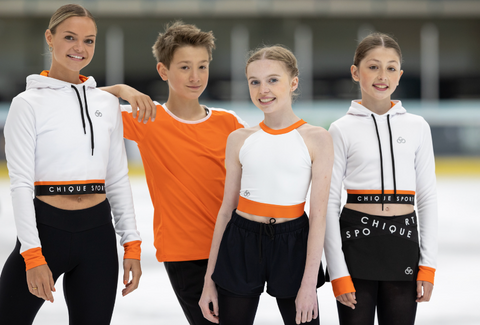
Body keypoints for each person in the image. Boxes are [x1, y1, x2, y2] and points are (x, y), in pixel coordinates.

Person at [0, 4, 142, 325]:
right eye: (69, 37)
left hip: (98, 237)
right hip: (46, 231)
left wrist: (131, 244)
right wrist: (32, 254)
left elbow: (118, 178)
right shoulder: (26, 104)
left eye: (89, 40)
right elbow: (20, 184)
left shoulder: (105, 102)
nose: (80, 48)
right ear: (49, 38)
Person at [101, 22, 247, 325]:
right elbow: (75, 106)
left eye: (202, 66)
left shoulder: (229, 122)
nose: (195, 77)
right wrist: (121, 90)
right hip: (185, 254)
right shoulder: (147, 118)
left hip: (233, 250)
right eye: (184, 67)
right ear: (163, 70)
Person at [199, 45, 333, 325]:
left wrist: (308, 284)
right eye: (255, 82)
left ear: (293, 83)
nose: (263, 90)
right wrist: (209, 280)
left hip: (292, 242)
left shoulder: (316, 138)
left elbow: (319, 215)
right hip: (241, 241)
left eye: (273, 80)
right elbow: (226, 211)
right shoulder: (239, 138)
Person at [324, 33, 438, 325]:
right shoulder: (340, 129)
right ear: (355, 72)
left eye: (390, 67)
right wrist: (337, 270)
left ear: (399, 74)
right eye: (373, 66)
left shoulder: (417, 127)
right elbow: (328, 201)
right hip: (356, 243)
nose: (382, 76)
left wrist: (428, 266)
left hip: (402, 245)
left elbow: (427, 197)